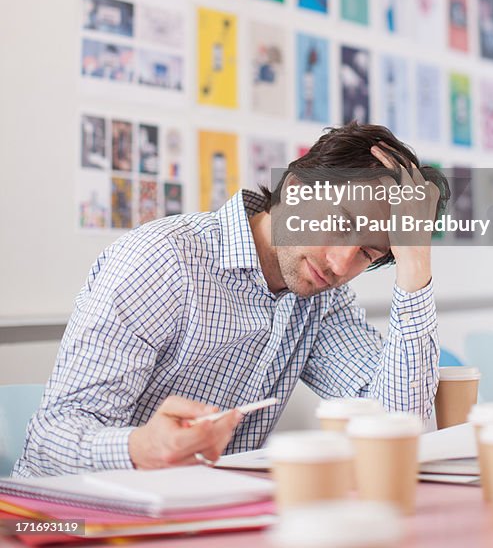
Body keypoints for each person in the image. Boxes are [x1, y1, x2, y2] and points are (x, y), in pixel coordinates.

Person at [14, 123, 448, 477]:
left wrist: (414, 267)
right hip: (69, 521)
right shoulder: (163, 261)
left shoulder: (321, 299)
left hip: (200, 521)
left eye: (368, 253)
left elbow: (396, 424)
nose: (339, 263)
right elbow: (50, 442)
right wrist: (139, 448)